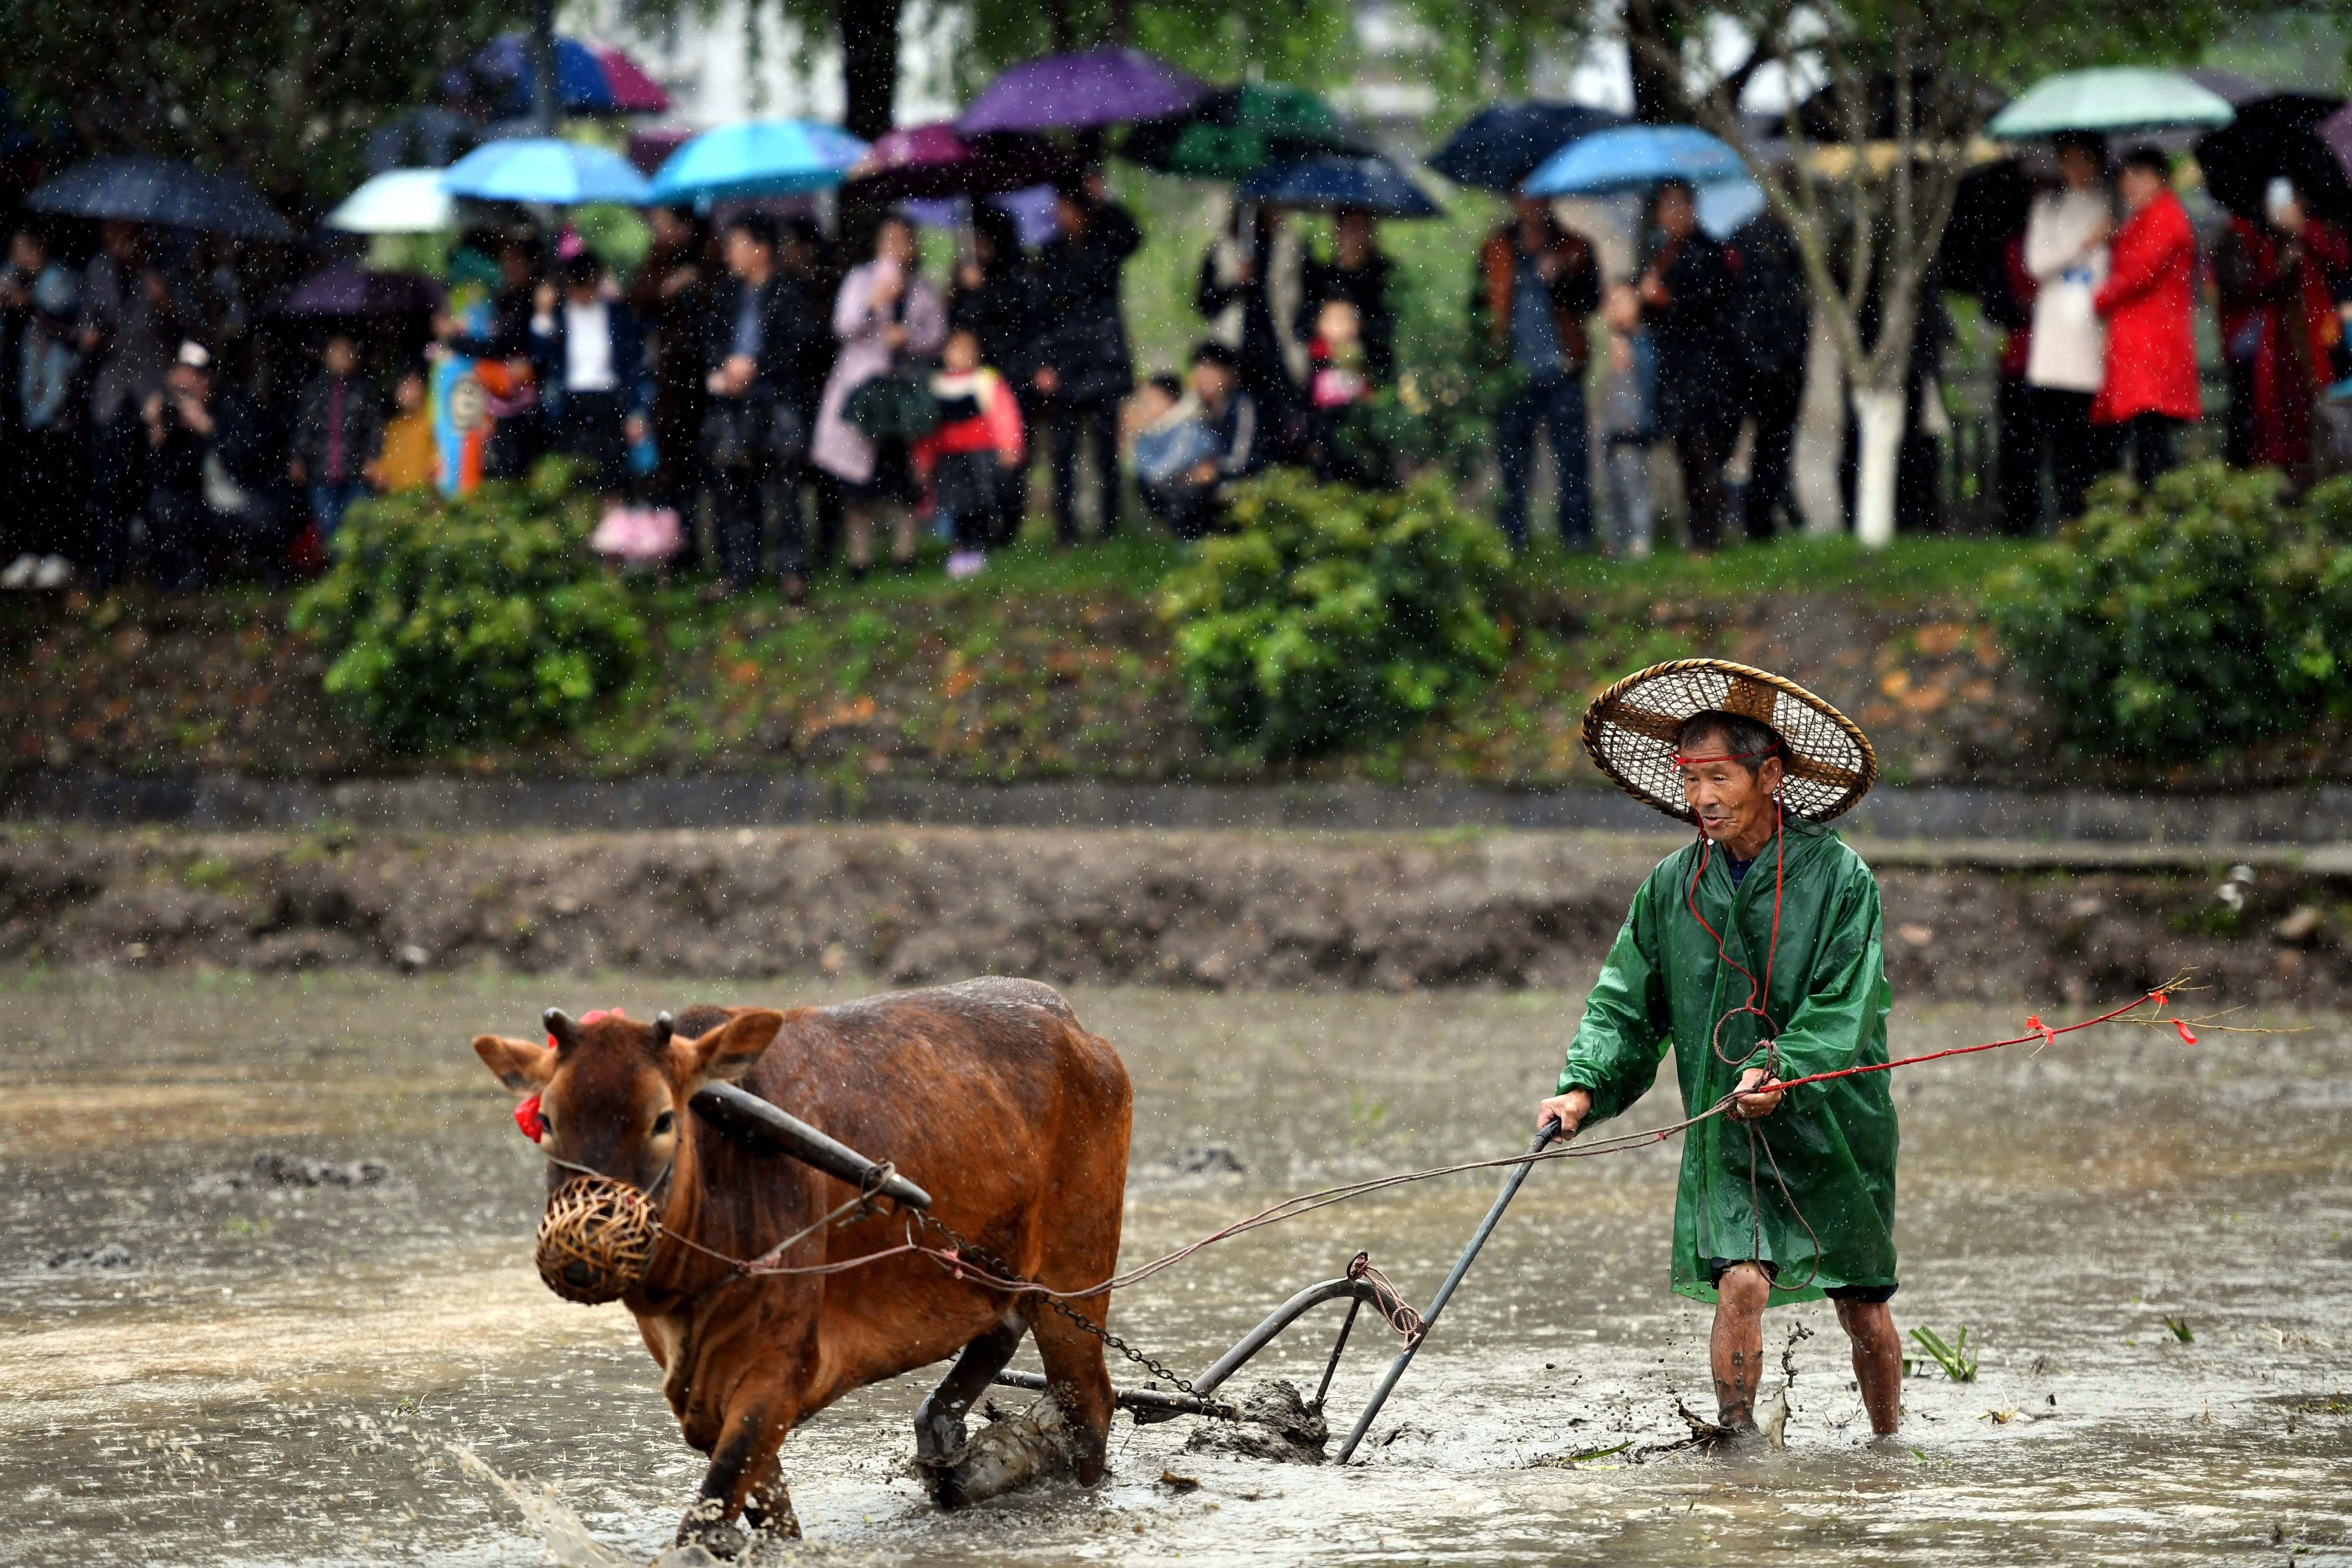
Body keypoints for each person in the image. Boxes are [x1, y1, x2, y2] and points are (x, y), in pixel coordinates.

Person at [1537, 666, 1901, 1441]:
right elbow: (1625, 1003)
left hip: (1833, 1116)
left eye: (1719, 778)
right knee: (1739, 1280)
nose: (1702, 797)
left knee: (1861, 1301)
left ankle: (1887, 1448)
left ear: (1769, 777)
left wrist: (1785, 1066)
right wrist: (1581, 1089)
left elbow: (1847, 999)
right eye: (1691, 779)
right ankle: (1735, 1448)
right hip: (1727, 1122)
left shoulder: (1839, 877)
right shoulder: (1672, 885)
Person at [812, 214, 946, 578]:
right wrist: (874, 303)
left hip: (904, 392)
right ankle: (860, 559)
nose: (896, 247)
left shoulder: (922, 288)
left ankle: (904, 555)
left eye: (903, 240)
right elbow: (843, 327)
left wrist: (911, 339)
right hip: (864, 390)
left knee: (903, 476)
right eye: (889, 240)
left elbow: (937, 337)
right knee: (857, 480)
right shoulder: (861, 280)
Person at [700, 213, 821, 599]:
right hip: (733, 404)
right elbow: (709, 343)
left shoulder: (789, 293)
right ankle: (739, 571)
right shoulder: (725, 295)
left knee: (784, 489)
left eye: (738, 244)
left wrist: (756, 369)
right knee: (733, 489)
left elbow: (801, 349)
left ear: (761, 249)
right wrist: (723, 370)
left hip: (777, 402)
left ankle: (791, 569)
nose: (731, 253)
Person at [1481, 194, 1601, 550]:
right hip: (1513, 370)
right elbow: (1479, 307)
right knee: (1514, 461)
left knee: (1572, 457)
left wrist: (1561, 277)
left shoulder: (1575, 247)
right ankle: (1513, 537)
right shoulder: (1496, 249)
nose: (1530, 204)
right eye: (1522, 195)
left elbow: (1592, 301)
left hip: (1563, 367)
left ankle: (1576, 535)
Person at [2215, 177, 2351, 484]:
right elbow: (2253, 286)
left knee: (2321, 398)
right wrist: (2282, 265)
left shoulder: (2322, 230)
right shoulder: (2264, 239)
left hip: (2323, 335)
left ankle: (2323, 469)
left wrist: (2304, 232)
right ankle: (2287, 471)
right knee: (2279, 403)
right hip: (2281, 339)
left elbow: (2339, 261)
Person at [1031, 172, 1143, 544]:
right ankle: (1066, 531)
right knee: (1063, 449)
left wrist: (1106, 200)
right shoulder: (1050, 254)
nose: (1061, 216)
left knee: (1105, 447)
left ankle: (1109, 526)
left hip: (1104, 356)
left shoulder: (1106, 242)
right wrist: (1043, 362)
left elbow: (1134, 238)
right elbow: (1041, 312)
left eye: (1067, 208)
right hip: (1065, 359)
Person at [80, 220, 192, 590]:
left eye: (122, 233)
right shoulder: (97, 269)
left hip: (156, 392)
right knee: (108, 487)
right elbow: (87, 322)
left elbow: (196, 328)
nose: (115, 240)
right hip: (113, 393)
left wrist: (167, 300)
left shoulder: (167, 266)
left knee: (159, 486)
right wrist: (90, 337)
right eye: (109, 233)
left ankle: (168, 572)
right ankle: (109, 570)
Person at [2091, 146, 2200, 487]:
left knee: (2151, 437)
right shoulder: (2146, 217)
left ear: (2161, 179)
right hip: (2143, 343)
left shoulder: (2164, 218)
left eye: (2141, 176)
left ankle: (2153, 515)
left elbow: (2139, 272)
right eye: (2127, 176)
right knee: (2143, 435)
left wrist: (2096, 297)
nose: (2131, 184)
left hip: (2153, 344)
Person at [141, 340, 291, 589]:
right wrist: (158, 436)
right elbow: (165, 479)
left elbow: (252, 461)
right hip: (209, 511)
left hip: (251, 501)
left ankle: (272, 570)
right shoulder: (178, 420)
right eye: (178, 388)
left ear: (208, 380)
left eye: (191, 384)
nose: (185, 394)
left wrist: (209, 429)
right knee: (163, 504)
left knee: (266, 516)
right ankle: (190, 575)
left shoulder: (239, 406)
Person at [1641, 181, 1741, 550]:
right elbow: (1657, 317)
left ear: (1690, 208)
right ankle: (1697, 534)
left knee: (1705, 456)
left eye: (1677, 207)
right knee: (1686, 455)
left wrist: (1665, 297)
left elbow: (1708, 308)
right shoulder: (1664, 252)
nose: (1671, 215)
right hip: (1677, 371)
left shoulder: (1708, 252)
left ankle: (1707, 537)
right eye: (1665, 208)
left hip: (1706, 371)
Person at [2023, 133, 2114, 520]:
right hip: (2055, 339)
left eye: (2086, 160)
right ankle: (2065, 518)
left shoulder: (2114, 204)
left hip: (2095, 335)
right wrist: (2083, 243)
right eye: (2070, 161)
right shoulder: (2049, 206)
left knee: (2096, 440)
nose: (2078, 169)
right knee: (2060, 441)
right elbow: (2037, 263)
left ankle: (2098, 519)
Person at [629, 206, 715, 569]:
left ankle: (713, 551)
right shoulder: (656, 260)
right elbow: (638, 301)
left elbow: (719, 301)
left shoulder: (710, 256)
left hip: (707, 382)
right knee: (671, 472)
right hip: (669, 385)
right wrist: (666, 287)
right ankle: (676, 549)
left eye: (664, 222)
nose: (658, 229)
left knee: (708, 469)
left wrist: (696, 281)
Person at [529, 251, 651, 505]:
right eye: (578, 284)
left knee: (613, 477)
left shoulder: (618, 316)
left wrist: (636, 411)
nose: (584, 292)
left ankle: (612, 534)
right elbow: (538, 359)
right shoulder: (559, 317)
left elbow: (631, 366)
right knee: (573, 476)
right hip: (569, 405)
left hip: (608, 402)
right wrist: (542, 313)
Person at [1197, 202, 1307, 460]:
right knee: (1242, 425)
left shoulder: (1291, 248)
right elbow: (1205, 303)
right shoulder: (1223, 249)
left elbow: (1306, 300)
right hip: (1237, 355)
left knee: (1283, 425)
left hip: (1281, 355)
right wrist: (1233, 283)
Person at [912, 325, 1025, 574]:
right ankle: (962, 546)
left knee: (981, 500)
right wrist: (923, 460)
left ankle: (980, 544)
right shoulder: (936, 385)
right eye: (957, 349)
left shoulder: (986, 380)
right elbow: (927, 427)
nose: (963, 355)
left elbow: (1005, 416)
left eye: (968, 349)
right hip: (949, 456)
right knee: (955, 503)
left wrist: (1010, 446)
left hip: (981, 454)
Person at [4, 258, 88, 591]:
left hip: (58, 398)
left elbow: (71, 329)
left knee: (57, 479)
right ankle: (31, 551)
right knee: (29, 481)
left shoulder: (62, 280)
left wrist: (32, 305)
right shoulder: (12, 278)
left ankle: (59, 553)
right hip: (28, 401)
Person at [1727, 209, 1808, 540]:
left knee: (1761, 445)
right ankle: (1758, 519)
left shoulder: (1747, 233)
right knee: (1771, 445)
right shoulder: (1786, 240)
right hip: (1772, 360)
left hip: (1756, 357)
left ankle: (1753, 518)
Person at [1137, 343, 1259, 539]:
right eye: (1200, 371)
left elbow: (1241, 461)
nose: (1204, 379)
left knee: (1189, 497)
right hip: (1203, 478)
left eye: (1211, 372)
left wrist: (1214, 471)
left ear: (1228, 375)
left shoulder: (1241, 406)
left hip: (1241, 481)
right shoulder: (1195, 408)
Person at [289, 332, 385, 540]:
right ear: (326, 356)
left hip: (355, 471)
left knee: (359, 524)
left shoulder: (365, 390)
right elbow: (304, 428)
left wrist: (373, 458)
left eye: (346, 351)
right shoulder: (315, 391)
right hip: (321, 470)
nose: (342, 356)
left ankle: (354, 568)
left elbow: (375, 428)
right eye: (336, 351)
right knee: (329, 524)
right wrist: (297, 458)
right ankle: (339, 568)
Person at [1597, 282, 1657, 559]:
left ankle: (1639, 537)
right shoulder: (1603, 345)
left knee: (1634, 485)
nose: (1617, 308)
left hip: (1631, 428)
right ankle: (1613, 539)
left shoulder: (1644, 343)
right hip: (1608, 427)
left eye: (1624, 301)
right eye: (1613, 301)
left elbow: (1648, 384)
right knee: (1610, 489)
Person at [1301, 207, 1395, 383]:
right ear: (1336, 232)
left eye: (1359, 228)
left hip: (1373, 375)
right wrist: (1324, 326)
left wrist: (1359, 328)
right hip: (1326, 378)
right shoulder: (1321, 277)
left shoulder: (1384, 276)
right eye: (1347, 228)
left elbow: (1390, 326)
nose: (1353, 237)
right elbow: (1302, 326)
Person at [369, 368, 438, 495]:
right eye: (402, 386)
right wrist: (378, 472)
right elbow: (388, 461)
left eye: (411, 385)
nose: (405, 391)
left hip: (424, 496)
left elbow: (438, 461)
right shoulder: (394, 426)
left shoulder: (433, 422)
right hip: (397, 497)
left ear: (422, 388)